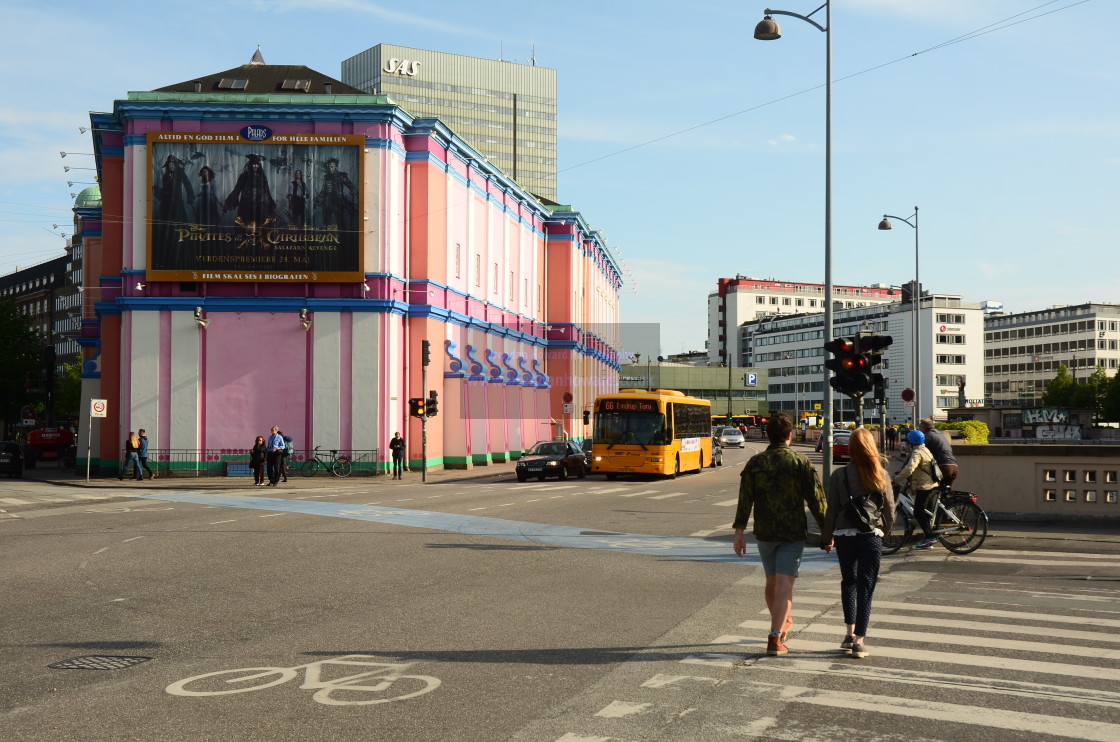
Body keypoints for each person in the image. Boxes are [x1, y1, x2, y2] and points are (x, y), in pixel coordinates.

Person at [733, 411, 827, 656]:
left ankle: (780, 623)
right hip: (793, 532)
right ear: (789, 435)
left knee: (771, 581)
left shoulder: (755, 463)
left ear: (768, 435)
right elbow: (816, 500)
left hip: (764, 532)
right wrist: (828, 531)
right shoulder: (799, 462)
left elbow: (745, 500)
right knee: (786, 582)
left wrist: (739, 533)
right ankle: (775, 637)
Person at [821, 428, 895, 659]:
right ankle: (860, 641)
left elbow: (831, 509)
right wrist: (884, 531)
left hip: (845, 537)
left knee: (849, 583)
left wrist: (827, 538)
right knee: (866, 587)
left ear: (852, 449)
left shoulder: (839, 475)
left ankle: (849, 634)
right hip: (871, 536)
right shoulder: (881, 474)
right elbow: (890, 510)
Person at [892, 430, 940, 550]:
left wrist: (896, 479)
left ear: (911, 442)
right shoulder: (926, 450)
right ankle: (928, 540)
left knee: (918, 512)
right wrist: (902, 473)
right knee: (926, 515)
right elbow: (920, 467)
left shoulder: (917, 452)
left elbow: (910, 468)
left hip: (925, 486)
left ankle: (929, 537)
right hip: (933, 484)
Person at [223, 153, 276, 227]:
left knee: (259, 222)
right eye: (254, 164)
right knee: (246, 222)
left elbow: (267, 191)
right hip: (247, 202)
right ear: (250, 165)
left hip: (260, 202)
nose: (255, 166)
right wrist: (230, 200)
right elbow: (237, 188)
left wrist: (270, 203)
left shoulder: (262, 177)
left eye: (257, 164)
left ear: (259, 166)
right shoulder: (245, 175)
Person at [315, 157, 356, 230]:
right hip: (327, 203)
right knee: (326, 223)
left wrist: (354, 190)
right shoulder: (326, 177)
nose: (330, 169)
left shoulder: (341, 176)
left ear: (335, 166)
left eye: (332, 167)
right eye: (329, 167)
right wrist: (318, 202)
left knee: (340, 223)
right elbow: (323, 190)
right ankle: (328, 239)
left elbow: (349, 184)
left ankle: (342, 240)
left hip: (338, 203)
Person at [919, 418, 958, 488]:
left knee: (930, 488)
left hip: (943, 466)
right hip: (954, 466)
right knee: (945, 493)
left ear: (924, 428)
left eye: (920, 427)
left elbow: (919, 451)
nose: (919, 430)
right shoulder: (940, 434)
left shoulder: (928, 436)